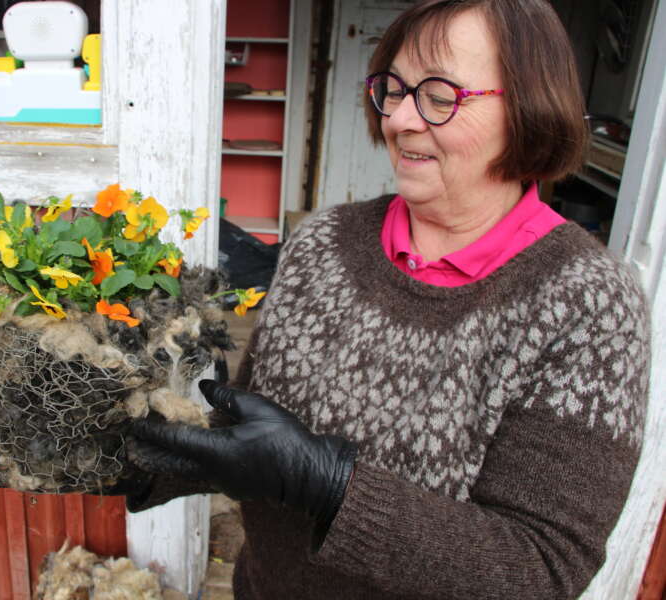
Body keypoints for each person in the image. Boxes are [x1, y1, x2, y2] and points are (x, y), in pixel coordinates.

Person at [126, 1, 651, 598]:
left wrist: (331, 484)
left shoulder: (589, 305)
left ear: (529, 106)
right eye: (393, 89)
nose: (400, 119)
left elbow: (542, 568)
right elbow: (249, 438)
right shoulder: (322, 243)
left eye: (439, 95)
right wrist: (131, 455)